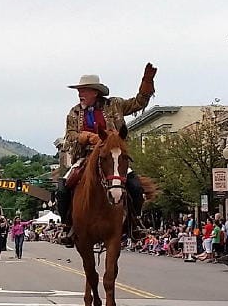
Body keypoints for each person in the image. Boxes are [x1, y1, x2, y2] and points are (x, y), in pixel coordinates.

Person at [56, 64, 157, 246]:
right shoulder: (74, 112)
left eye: (84, 90)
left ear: (95, 92)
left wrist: (147, 83)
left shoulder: (114, 104)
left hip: (112, 155)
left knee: (134, 185)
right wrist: (86, 137)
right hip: (85, 156)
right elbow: (70, 135)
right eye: (79, 91)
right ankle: (67, 224)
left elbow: (138, 103)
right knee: (62, 188)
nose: (80, 94)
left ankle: (136, 222)